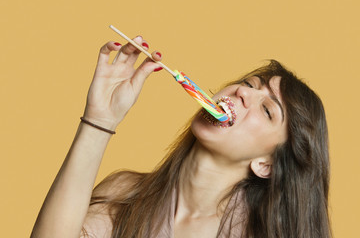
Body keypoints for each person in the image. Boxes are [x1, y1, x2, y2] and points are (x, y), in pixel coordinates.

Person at [31, 36, 332, 238]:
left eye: (267, 110)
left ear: (266, 164)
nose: (243, 92)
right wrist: (99, 119)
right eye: (249, 84)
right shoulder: (125, 195)